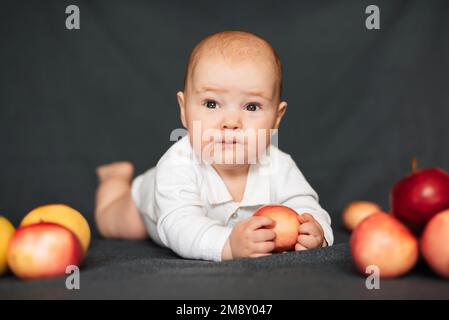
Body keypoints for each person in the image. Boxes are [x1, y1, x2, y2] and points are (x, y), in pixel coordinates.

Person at [95, 30, 334, 262]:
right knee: (116, 224)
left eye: (251, 107)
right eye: (211, 104)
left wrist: (315, 232)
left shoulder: (279, 165)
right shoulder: (178, 164)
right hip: (148, 205)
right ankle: (114, 180)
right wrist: (228, 244)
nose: (231, 122)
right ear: (184, 109)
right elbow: (180, 226)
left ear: (277, 118)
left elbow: (306, 205)